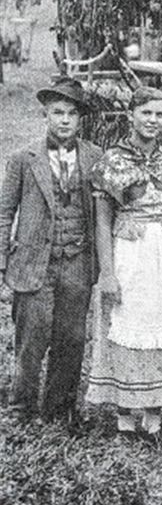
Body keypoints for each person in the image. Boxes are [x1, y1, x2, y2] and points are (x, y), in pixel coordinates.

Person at [86, 88, 162, 440]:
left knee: (160, 324)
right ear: (131, 114)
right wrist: (107, 271)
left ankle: (153, 414)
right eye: (145, 113)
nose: (152, 121)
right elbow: (102, 220)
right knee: (127, 324)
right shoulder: (112, 160)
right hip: (129, 251)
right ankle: (124, 415)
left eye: (159, 115)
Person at [0, 79, 101, 423]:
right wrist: (2, 259)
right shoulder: (23, 158)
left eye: (72, 114)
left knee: (71, 339)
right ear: (46, 115)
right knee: (31, 339)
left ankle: (60, 410)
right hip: (34, 263)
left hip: (77, 262)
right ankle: (21, 407)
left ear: (80, 119)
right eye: (58, 112)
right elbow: (4, 211)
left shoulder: (94, 157)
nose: (65, 120)